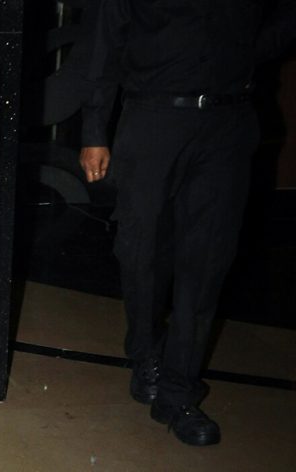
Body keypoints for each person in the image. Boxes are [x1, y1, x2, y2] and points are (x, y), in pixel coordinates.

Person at [79, 0, 296, 447]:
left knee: (208, 262)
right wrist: (94, 130)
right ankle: (145, 353)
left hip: (228, 123)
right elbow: (105, 41)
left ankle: (178, 393)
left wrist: (242, 50)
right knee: (138, 251)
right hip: (152, 118)